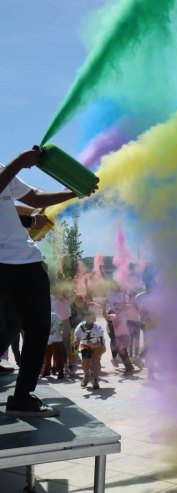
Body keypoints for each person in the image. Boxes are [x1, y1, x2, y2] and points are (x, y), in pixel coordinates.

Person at [0, 147, 95, 417]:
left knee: (29, 327)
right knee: (14, 324)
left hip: (27, 262)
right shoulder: (8, 168)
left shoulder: (1, 166)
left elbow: (34, 197)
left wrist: (74, 191)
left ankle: (22, 397)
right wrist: (19, 161)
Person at [74, 313, 106, 389]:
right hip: (85, 345)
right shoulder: (79, 327)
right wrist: (75, 343)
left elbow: (101, 343)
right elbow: (76, 340)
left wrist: (93, 345)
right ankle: (86, 376)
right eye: (87, 317)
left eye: (92, 318)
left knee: (96, 361)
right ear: (84, 318)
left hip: (97, 345)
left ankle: (95, 380)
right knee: (85, 360)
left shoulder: (98, 327)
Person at [42, 310, 65, 380]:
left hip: (57, 340)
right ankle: (47, 371)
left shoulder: (54, 315)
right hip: (47, 341)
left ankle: (60, 372)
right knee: (47, 357)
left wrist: (61, 331)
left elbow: (61, 323)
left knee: (58, 357)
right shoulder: (40, 317)